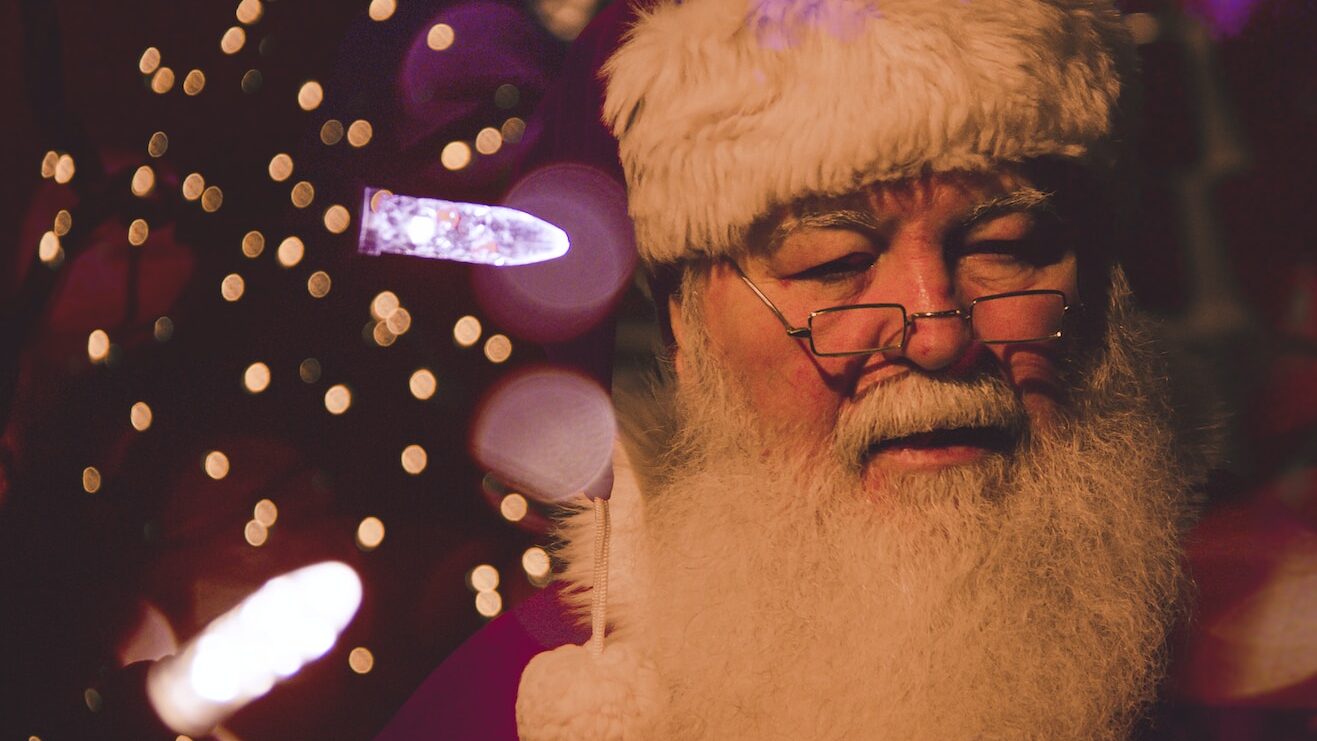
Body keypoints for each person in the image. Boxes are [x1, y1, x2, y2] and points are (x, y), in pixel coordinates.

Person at [378, 0, 1218, 738]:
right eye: (832, 262)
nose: (935, 333)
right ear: (683, 329)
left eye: (1004, 248)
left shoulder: (1251, 666)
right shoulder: (500, 713)